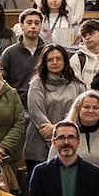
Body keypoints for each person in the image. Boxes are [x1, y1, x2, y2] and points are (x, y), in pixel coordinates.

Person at [25, 44, 84, 180]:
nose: (55, 62)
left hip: (69, 144)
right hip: (38, 146)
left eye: (59, 58)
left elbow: (80, 112)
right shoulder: (37, 83)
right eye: (50, 60)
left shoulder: (78, 84)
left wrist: (57, 131)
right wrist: (52, 132)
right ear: (44, 63)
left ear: (65, 61)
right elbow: (36, 111)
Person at [0, 9, 44, 107]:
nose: (33, 26)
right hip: (16, 104)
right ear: (21, 26)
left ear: (41, 26)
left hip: (43, 103)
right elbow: (1, 80)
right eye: (29, 23)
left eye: (37, 23)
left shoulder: (48, 52)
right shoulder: (9, 53)